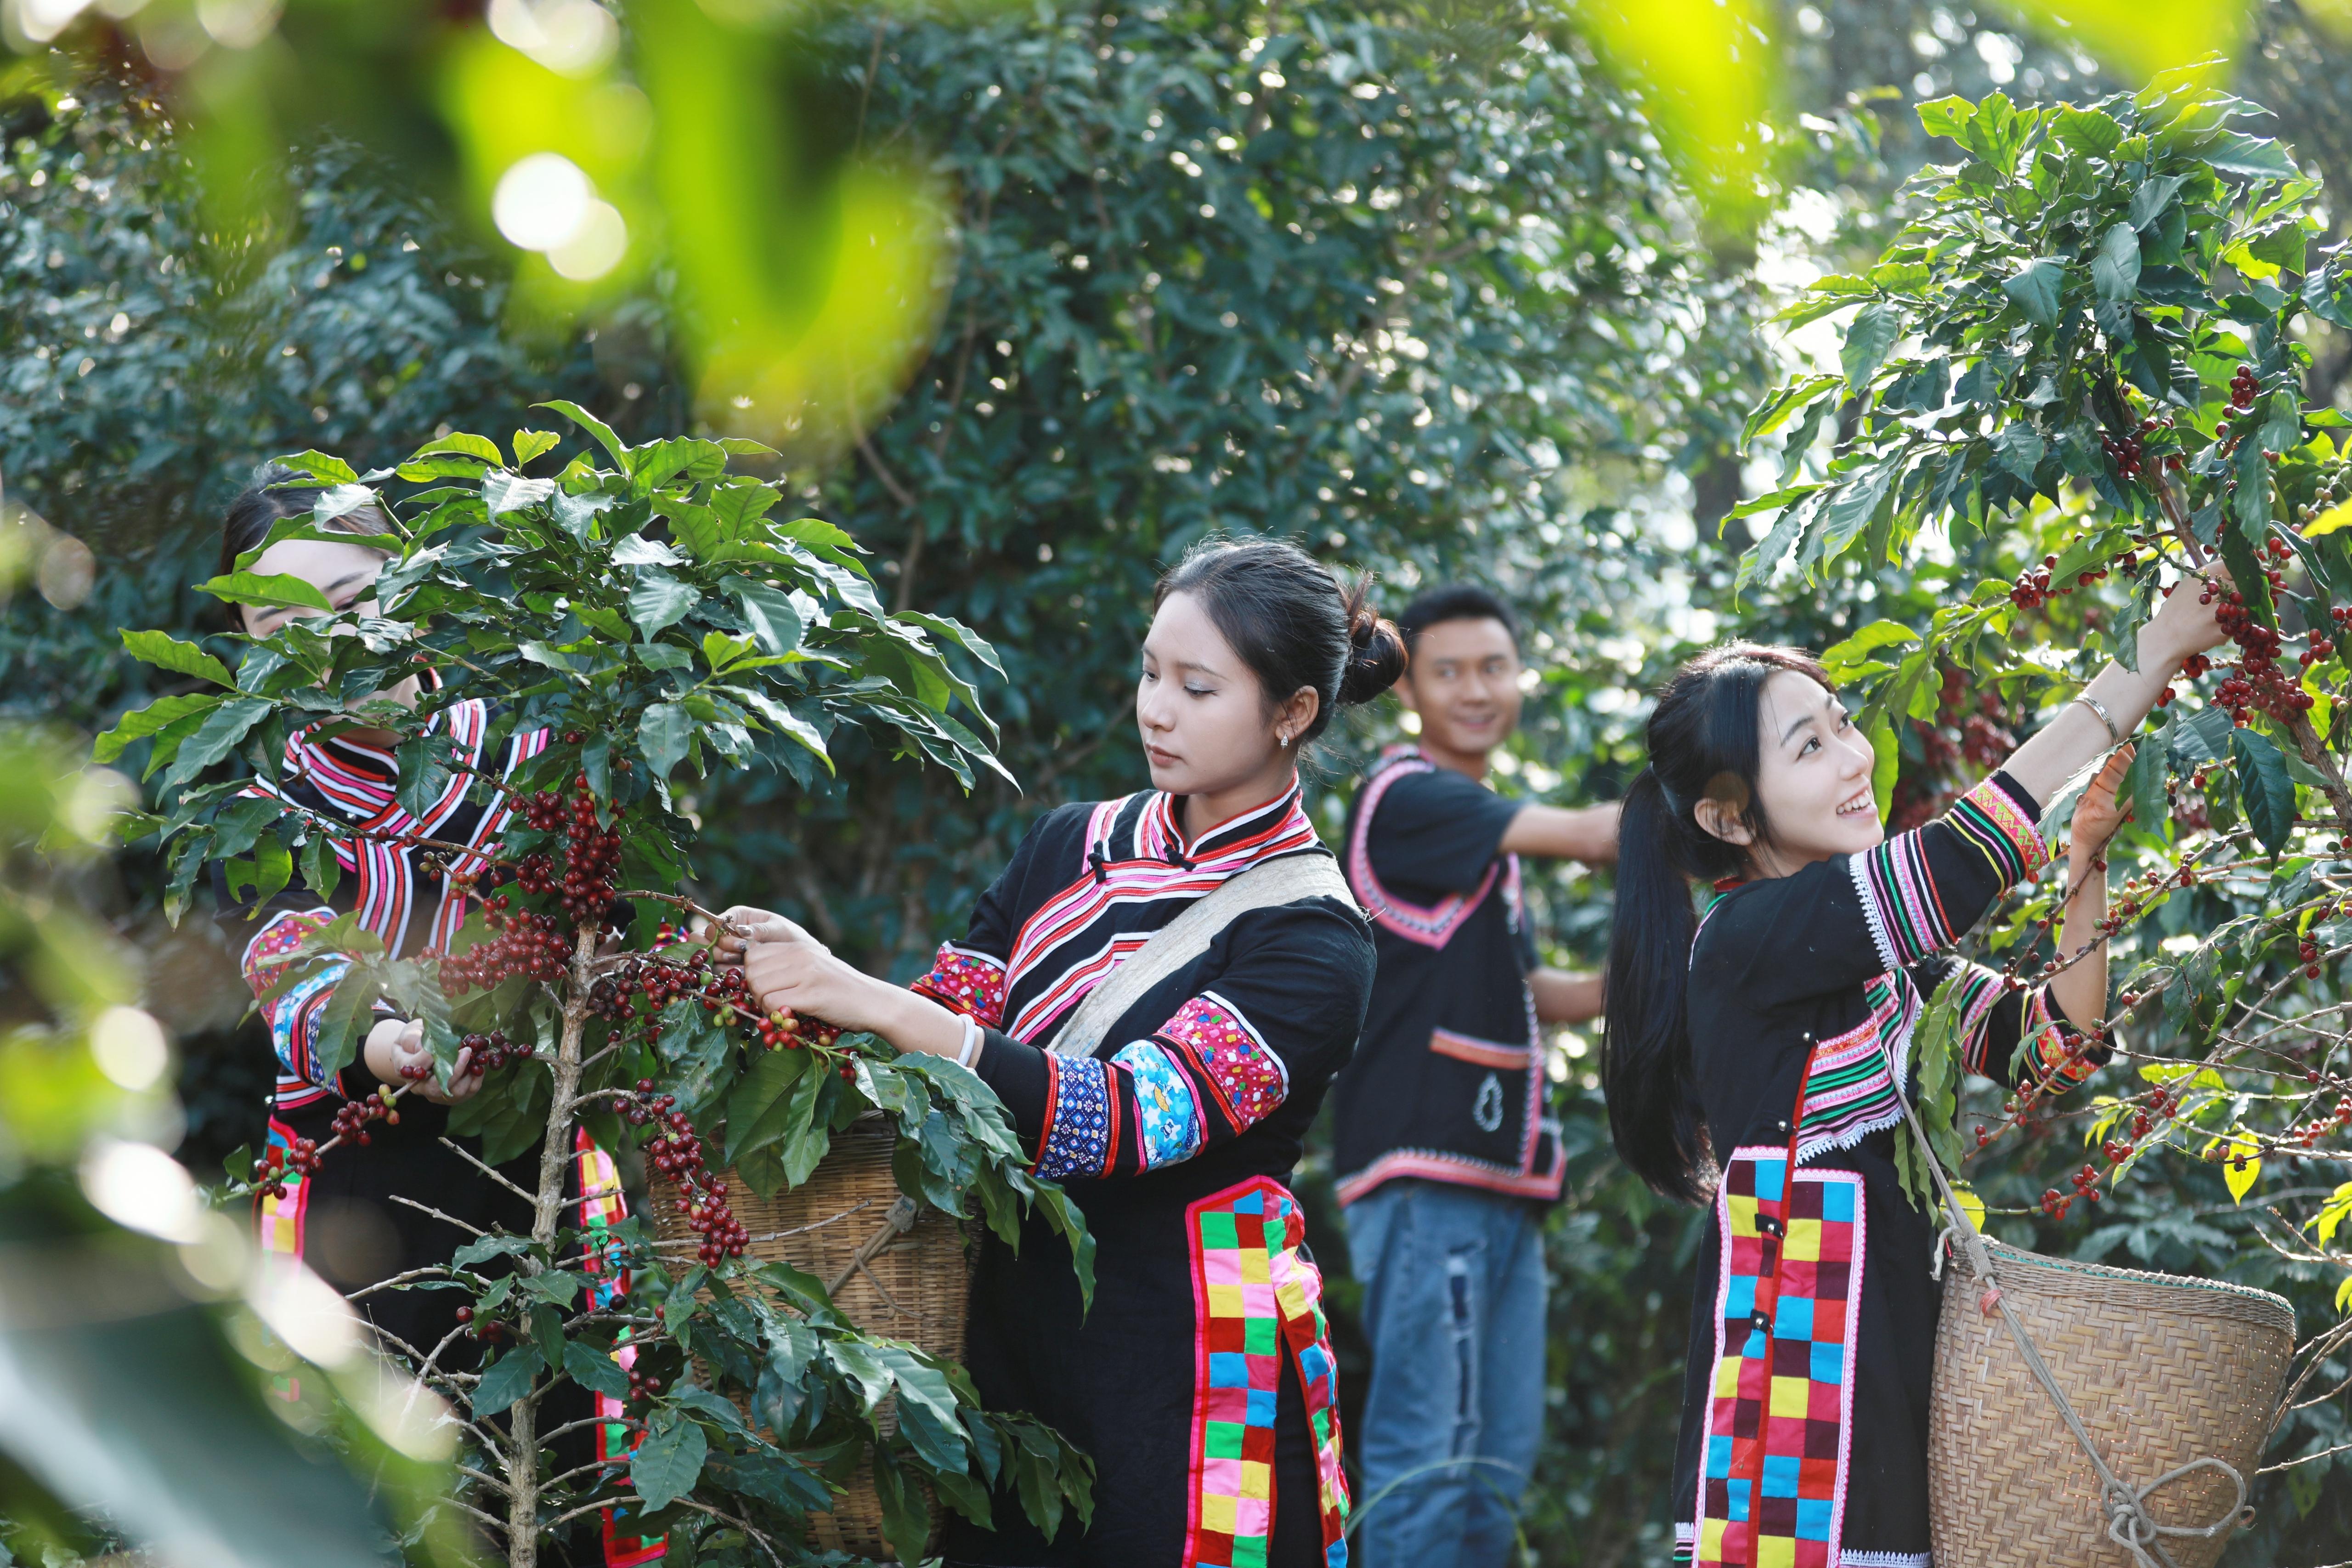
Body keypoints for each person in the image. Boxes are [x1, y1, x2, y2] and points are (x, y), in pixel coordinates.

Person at [718, 537, 1403, 1568]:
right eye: (1149, 671)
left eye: (1198, 687)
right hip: (1008, 1353)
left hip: (1190, 1377)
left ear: (1294, 712)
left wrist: (861, 996)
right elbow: (943, 1029)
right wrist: (777, 1000)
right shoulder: (1067, 845)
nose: (1156, 709)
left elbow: (1127, 1118)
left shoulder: (1312, 939)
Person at [1603, 568, 2225, 1568]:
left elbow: (2049, 1050)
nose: (1855, 757)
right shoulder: (1746, 937)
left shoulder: (1879, 959)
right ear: (1728, 820)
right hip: (1798, 1396)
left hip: (1887, 1374)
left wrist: (2084, 870)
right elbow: (1954, 865)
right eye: (1810, 747)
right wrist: (2145, 662)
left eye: (1843, 723)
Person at [212, 470, 661, 1567]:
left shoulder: (533, 747)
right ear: (245, 637)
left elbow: (613, 925)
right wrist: (379, 1043)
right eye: (284, 622)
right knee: (373, 1506)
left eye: (358, 601)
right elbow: (281, 952)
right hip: (353, 1205)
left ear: (416, 586)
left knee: (556, 1495)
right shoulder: (258, 792)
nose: (331, 646)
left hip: (534, 1172)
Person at [1328, 584, 1618, 1568]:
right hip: (1427, 1173)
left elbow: (1535, 989)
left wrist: (1670, 973)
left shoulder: (1486, 838)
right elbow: (1593, 835)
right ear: (1410, 691)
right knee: (1429, 1459)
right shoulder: (1407, 798)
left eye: (1493, 666)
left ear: (1519, 676)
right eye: (1447, 670)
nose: (1475, 689)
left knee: (1495, 1470)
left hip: (1498, 1179)